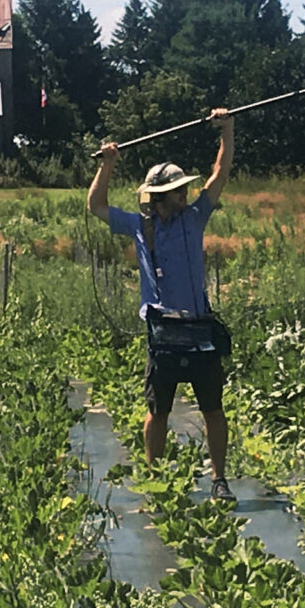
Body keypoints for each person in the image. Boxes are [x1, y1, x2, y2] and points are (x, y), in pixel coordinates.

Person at [88, 108, 236, 497]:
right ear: (159, 196)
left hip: (199, 328)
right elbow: (96, 206)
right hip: (163, 332)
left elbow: (219, 176)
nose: (185, 194)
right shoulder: (141, 226)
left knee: (213, 408)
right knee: (158, 410)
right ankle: (156, 479)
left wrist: (227, 131)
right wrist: (107, 165)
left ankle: (219, 480)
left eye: (185, 188)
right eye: (178, 190)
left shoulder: (195, 217)